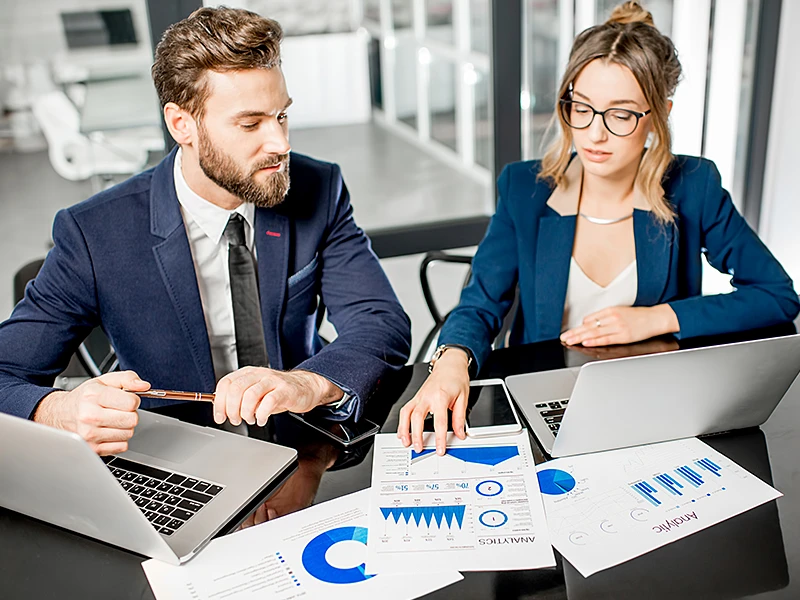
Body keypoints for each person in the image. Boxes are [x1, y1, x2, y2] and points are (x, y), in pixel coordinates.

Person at [0, 7, 411, 455]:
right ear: (182, 125)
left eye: (282, 116)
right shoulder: (94, 233)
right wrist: (55, 411)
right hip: (173, 457)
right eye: (251, 123)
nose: (280, 144)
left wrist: (306, 383)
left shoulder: (318, 187)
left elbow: (381, 321)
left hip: (303, 446)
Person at [398, 1, 800, 456]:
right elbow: (480, 303)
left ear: (660, 113)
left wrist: (658, 317)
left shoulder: (694, 187)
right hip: (549, 396)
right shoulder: (524, 190)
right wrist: (452, 361)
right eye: (581, 107)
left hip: (657, 401)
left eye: (621, 114)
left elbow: (777, 295)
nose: (594, 134)